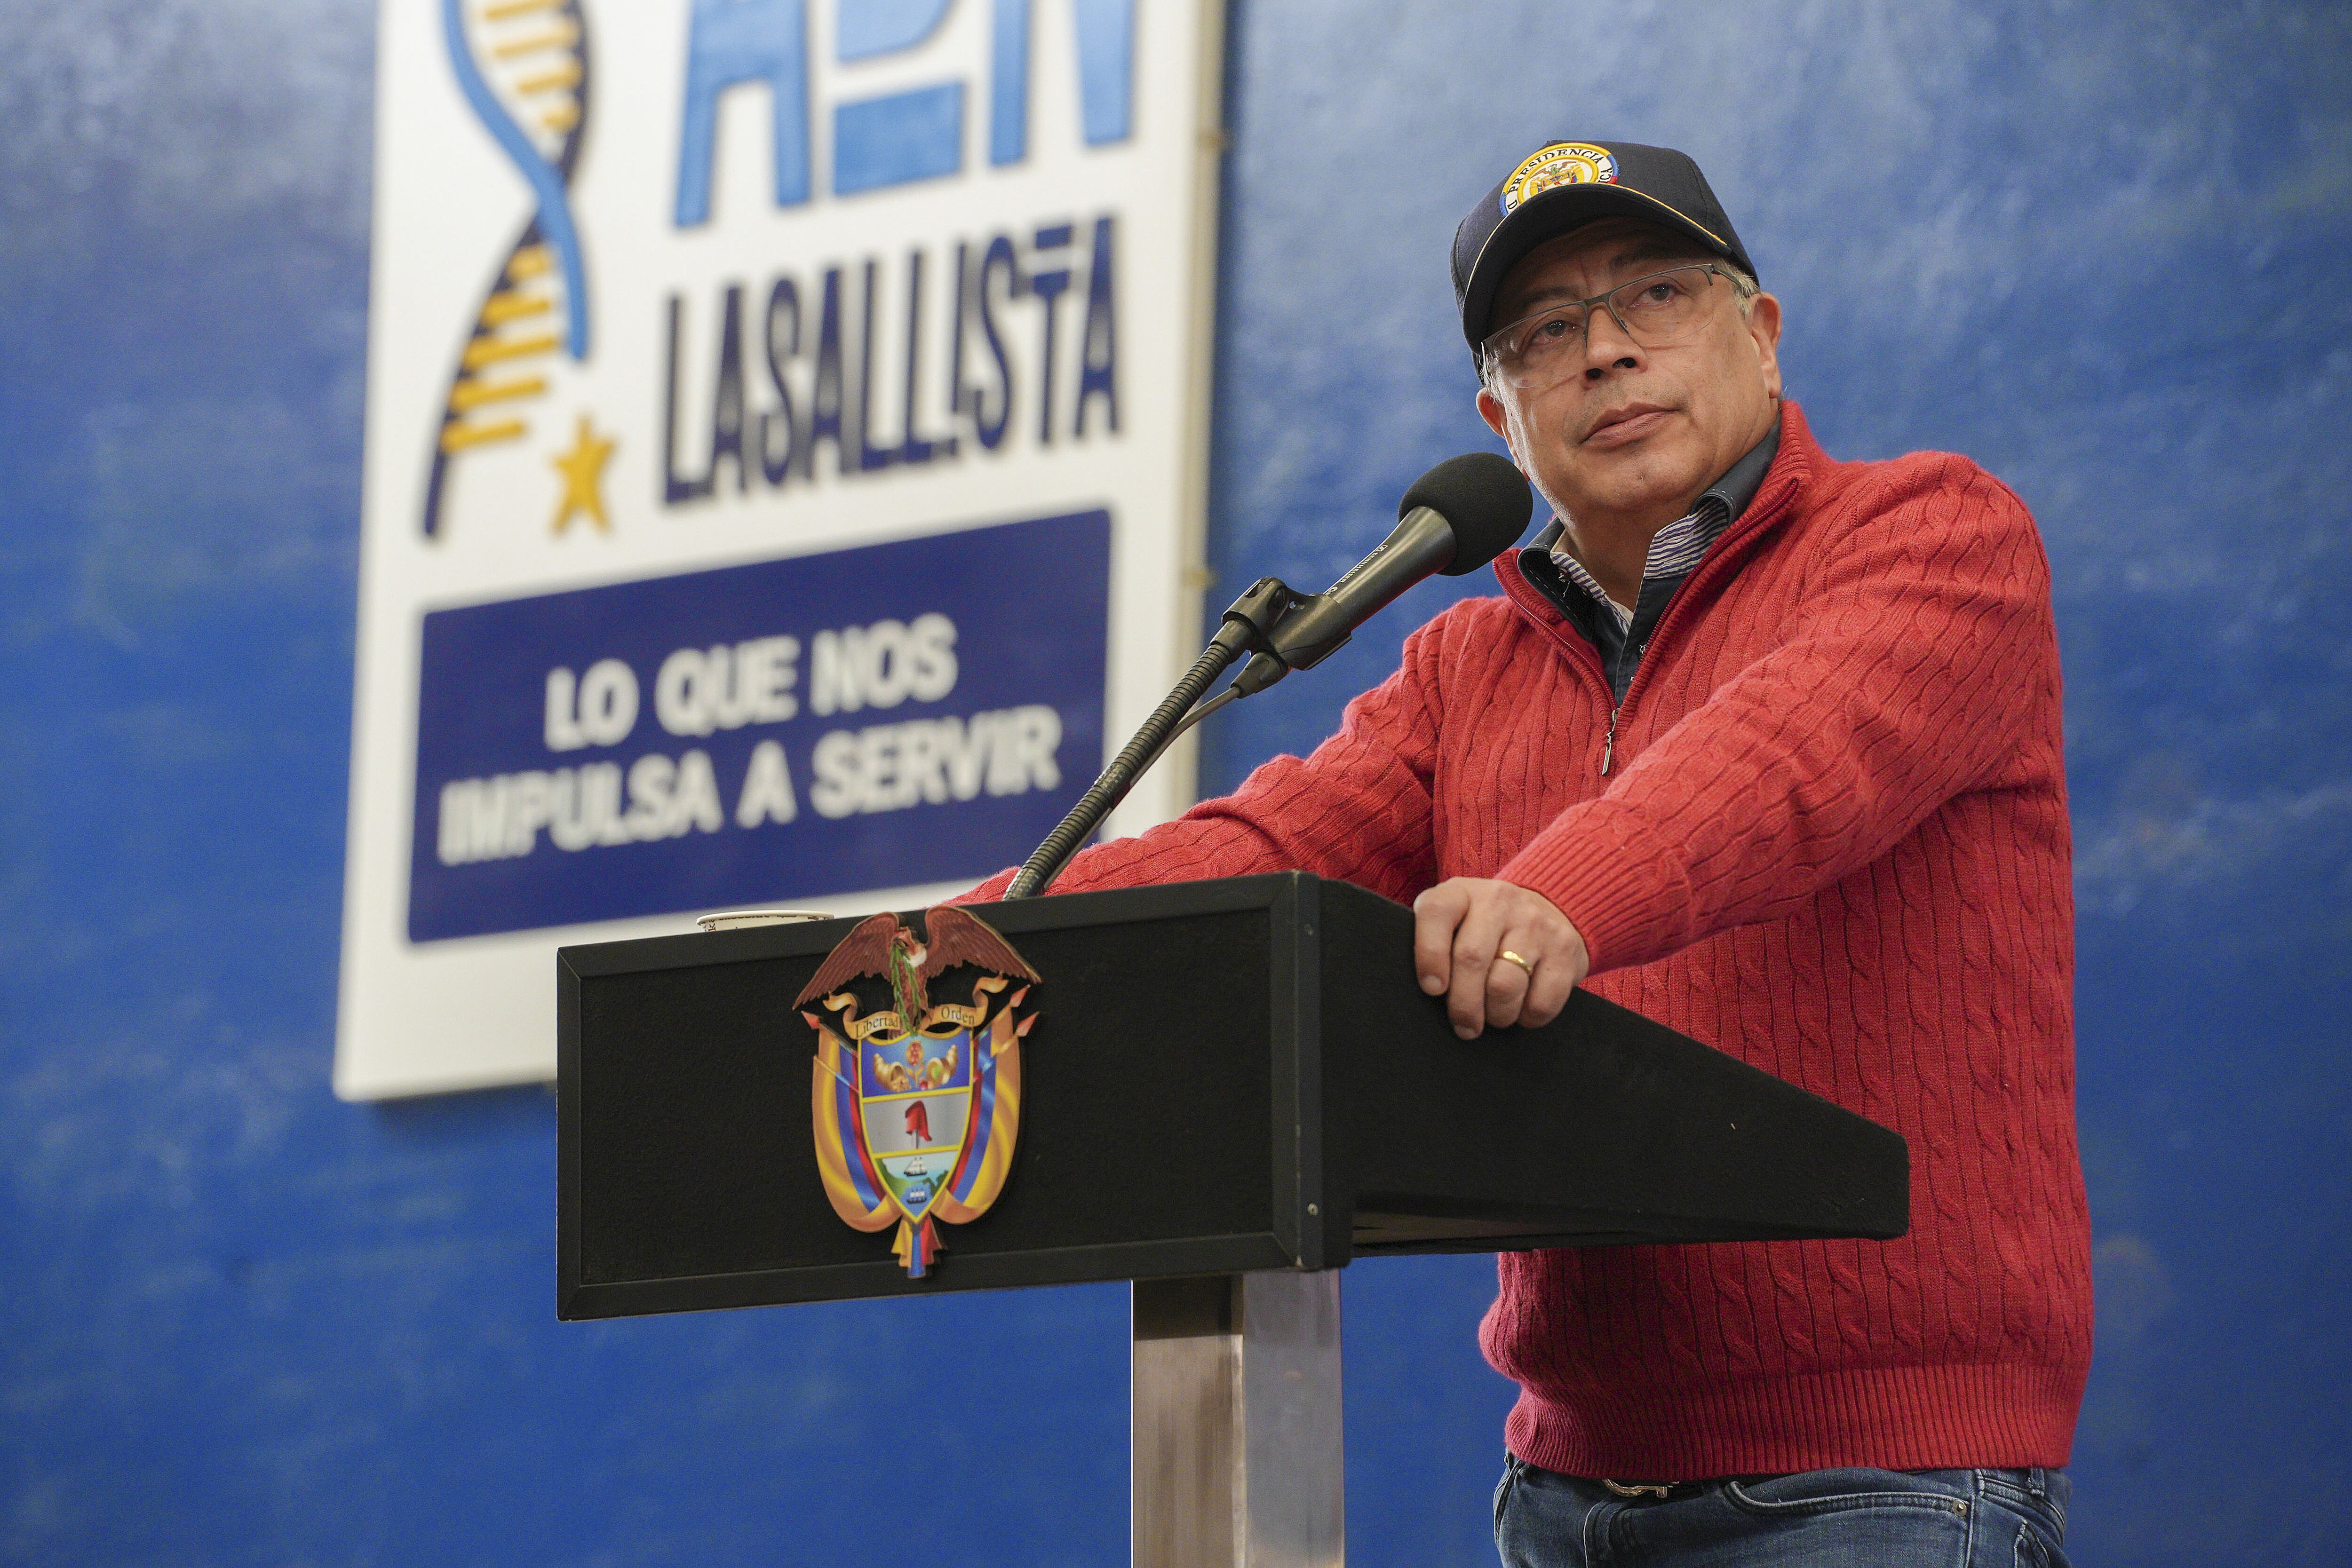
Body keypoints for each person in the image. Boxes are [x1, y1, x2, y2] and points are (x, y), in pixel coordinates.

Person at [969, 139, 2090, 1565]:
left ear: (1762, 332)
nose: (1606, 354)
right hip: (1564, 1495)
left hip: (1881, 1481)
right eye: (1546, 333)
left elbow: (1789, 759)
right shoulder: (1462, 665)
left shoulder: (1936, 533)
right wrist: (922, 949)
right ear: (1501, 411)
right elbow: (1260, 850)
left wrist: (1559, 893)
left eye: (1657, 296)